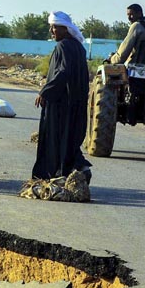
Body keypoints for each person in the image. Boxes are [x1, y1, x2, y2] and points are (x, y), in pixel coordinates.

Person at [32, 11, 92, 182]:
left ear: (65, 29)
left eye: (55, 27)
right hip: (76, 103)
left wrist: (45, 91)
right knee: (69, 140)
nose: (52, 31)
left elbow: (63, 72)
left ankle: (54, 175)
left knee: (55, 139)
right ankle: (80, 168)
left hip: (62, 103)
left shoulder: (63, 46)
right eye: (51, 27)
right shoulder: (78, 47)